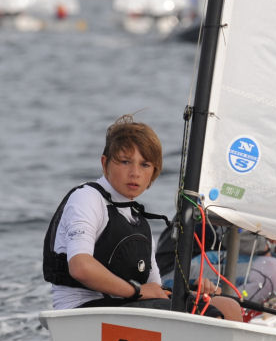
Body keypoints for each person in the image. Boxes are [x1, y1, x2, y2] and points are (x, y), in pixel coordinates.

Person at [43, 114, 242, 321]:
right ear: (105, 163)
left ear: (154, 172)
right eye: (125, 162)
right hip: (83, 312)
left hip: (123, 306)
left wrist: (192, 290)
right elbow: (80, 267)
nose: (135, 173)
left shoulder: (139, 222)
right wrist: (137, 292)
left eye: (145, 165)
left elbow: (156, 290)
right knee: (209, 316)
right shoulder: (87, 198)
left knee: (227, 306)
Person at [156, 218, 276, 317]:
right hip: (177, 268)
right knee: (272, 269)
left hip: (220, 251)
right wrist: (266, 239)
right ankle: (235, 316)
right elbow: (234, 234)